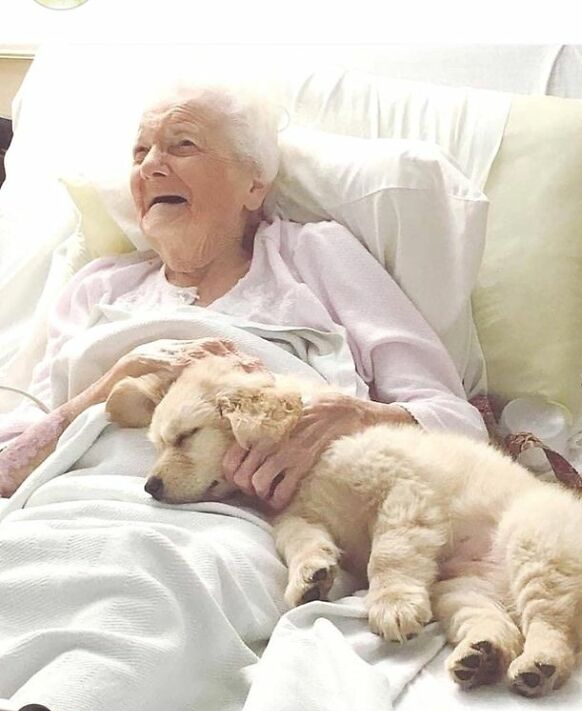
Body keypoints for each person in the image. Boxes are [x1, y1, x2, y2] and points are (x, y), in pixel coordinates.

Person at [0, 81, 487, 506]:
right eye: (139, 152)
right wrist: (106, 387)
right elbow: (8, 467)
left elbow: (455, 424)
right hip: (61, 509)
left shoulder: (316, 257)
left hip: (237, 526)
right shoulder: (97, 287)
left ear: (254, 185)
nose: (150, 166)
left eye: (182, 144)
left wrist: (352, 418)